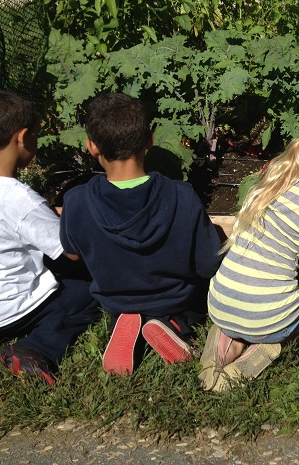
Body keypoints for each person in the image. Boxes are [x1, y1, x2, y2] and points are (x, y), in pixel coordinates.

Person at [59, 93, 221, 375]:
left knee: (120, 304)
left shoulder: (77, 201)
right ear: (150, 139)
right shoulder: (181, 196)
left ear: (92, 147)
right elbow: (208, 263)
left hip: (114, 300)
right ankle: (173, 326)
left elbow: (71, 252)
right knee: (199, 302)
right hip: (176, 299)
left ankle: (125, 323)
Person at [199, 110, 299, 392]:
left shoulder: (279, 177)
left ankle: (228, 340)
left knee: (267, 287)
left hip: (221, 300)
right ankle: (268, 347)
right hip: (266, 314)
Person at [0, 90, 99, 383]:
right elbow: (72, 251)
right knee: (85, 292)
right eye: (37, 137)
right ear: (22, 137)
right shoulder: (21, 201)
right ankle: (34, 348)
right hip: (9, 307)